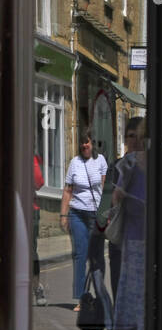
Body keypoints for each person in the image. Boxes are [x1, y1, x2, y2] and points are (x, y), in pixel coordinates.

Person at [109, 117, 149, 330]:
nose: (133, 142)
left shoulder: (153, 165)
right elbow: (104, 210)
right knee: (124, 311)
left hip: (146, 244)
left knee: (141, 314)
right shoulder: (121, 167)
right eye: (129, 136)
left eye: (138, 136)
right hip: (123, 246)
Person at [61, 131, 108, 310]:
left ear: (93, 143)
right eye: (82, 143)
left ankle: (99, 295)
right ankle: (82, 299)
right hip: (77, 214)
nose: (84, 146)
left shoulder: (101, 161)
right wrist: (64, 215)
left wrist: (106, 214)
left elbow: (105, 188)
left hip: (95, 215)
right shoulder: (74, 163)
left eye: (87, 142)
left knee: (95, 257)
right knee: (80, 255)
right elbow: (67, 190)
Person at [33, 154, 46, 306]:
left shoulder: (31, 158)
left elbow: (38, 182)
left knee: (30, 252)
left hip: (29, 208)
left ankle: (36, 287)